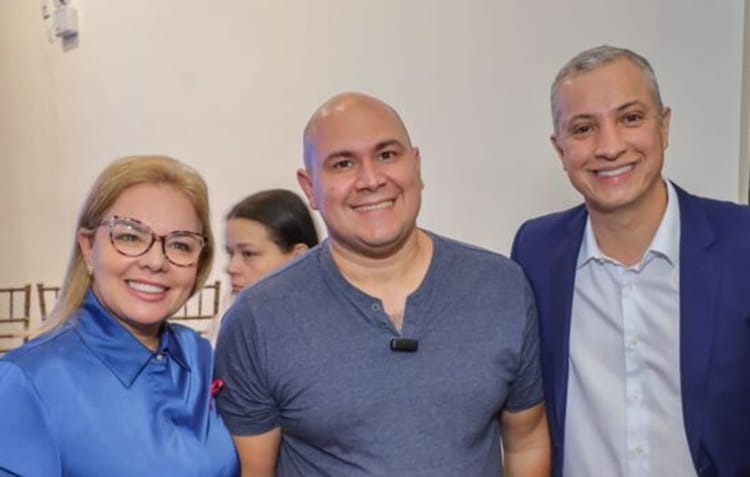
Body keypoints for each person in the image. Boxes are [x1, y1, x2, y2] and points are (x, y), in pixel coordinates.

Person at [214, 92, 550, 476]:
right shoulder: (257, 318)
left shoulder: (501, 287)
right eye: (343, 164)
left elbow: (527, 442)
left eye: (387, 155)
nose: (371, 180)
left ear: (416, 166)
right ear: (309, 188)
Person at [511, 45, 750, 477]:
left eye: (631, 118)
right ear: (560, 150)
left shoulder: (741, 242)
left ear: (665, 126)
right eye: (584, 128)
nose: (609, 146)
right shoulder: (536, 251)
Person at [0, 155, 239, 476]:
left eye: (180, 245)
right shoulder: (28, 380)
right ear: (88, 247)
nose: (156, 262)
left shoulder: (198, 355)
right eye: (129, 237)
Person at [207, 189, 319, 344]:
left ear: (298, 257)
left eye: (248, 254)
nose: (231, 268)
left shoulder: (329, 324)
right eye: (230, 253)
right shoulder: (230, 311)